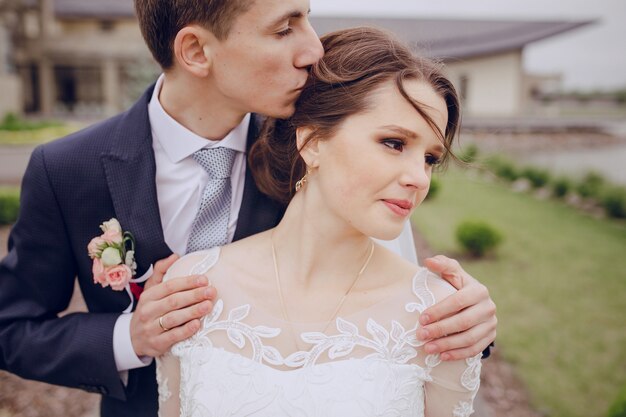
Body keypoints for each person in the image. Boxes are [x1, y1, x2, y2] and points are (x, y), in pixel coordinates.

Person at [0, 1, 495, 416]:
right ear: (196, 51)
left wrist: (465, 322)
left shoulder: (311, 152)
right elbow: (11, 329)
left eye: (307, 17)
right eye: (284, 28)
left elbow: (386, 320)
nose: (313, 48)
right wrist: (129, 335)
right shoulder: (68, 168)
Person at [156, 26, 482, 417]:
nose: (419, 178)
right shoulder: (193, 289)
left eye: (429, 158)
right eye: (394, 143)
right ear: (311, 143)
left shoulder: (443, 315)